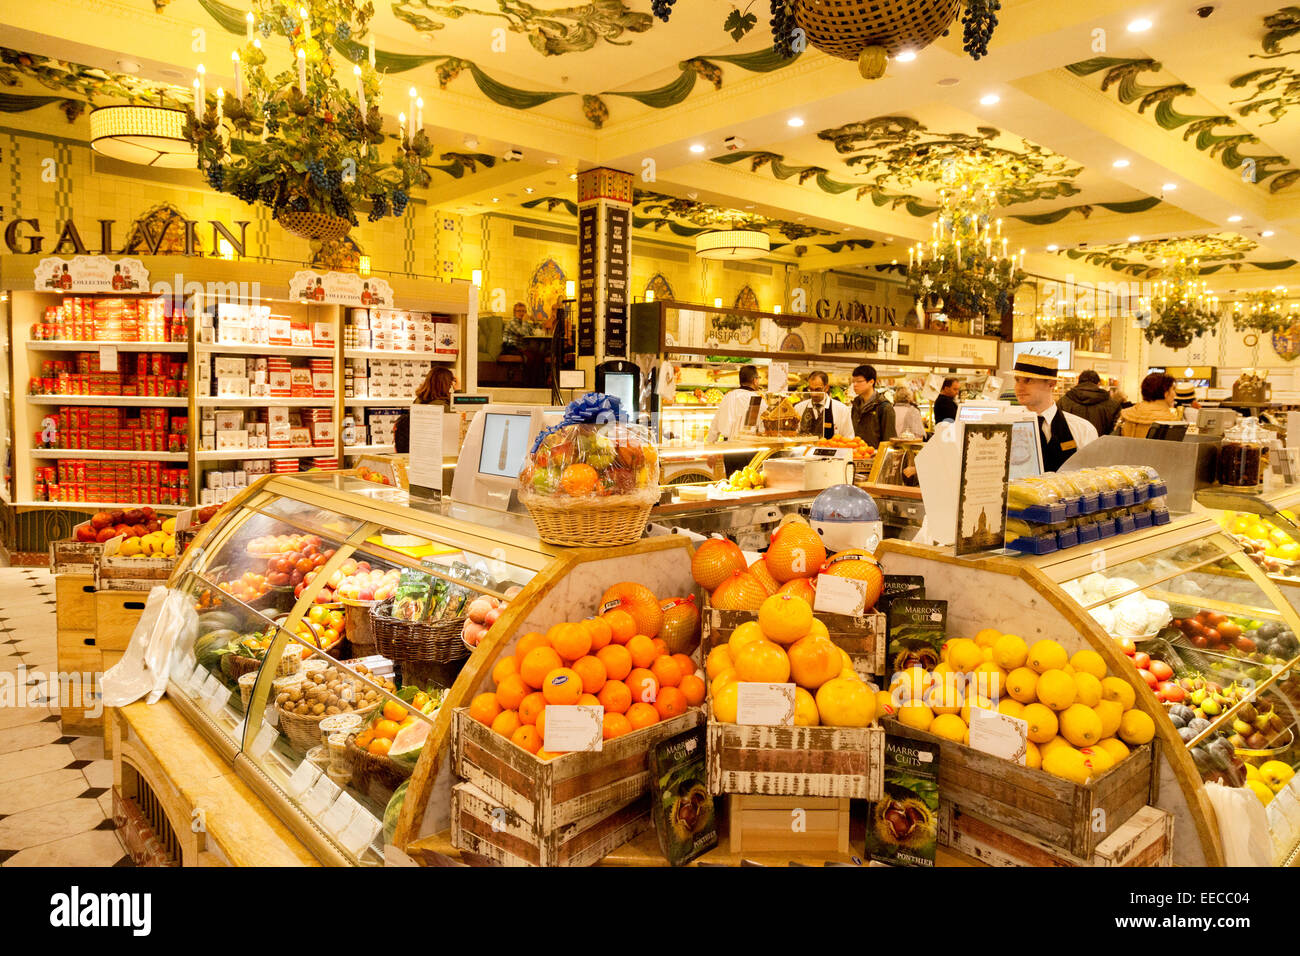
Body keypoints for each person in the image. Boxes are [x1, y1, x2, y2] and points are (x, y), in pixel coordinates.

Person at [1012, 354, 1098, 471]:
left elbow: (1090, 476)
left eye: (1028, 381)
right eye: (1017, 380)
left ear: (1051, 384)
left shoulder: (1082, 429)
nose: (1019, 388)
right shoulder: (1006, 428)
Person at [394, 365, 456, 454]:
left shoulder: (418, 401)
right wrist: (458, 391)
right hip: (436, 453)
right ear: (448, 384)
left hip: (417, 451)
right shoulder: (444, 407)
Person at [1113, 372, 1184, 438]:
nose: (1175, 394)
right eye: (1173, 389)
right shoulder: (1170, 422)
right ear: (1166, 393)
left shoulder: (1127, 414)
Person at [1059, 369, 1122, 437]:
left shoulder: (1063, 402)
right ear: (1098, 384)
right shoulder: (1113, 405)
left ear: (1078, 382)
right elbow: (1115, 431)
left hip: (1071, 445)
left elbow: (1058, 428)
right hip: (1101, 445)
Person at [706, 364, 761, 441]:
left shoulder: (728, 396)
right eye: (758, 378)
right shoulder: (756, 398)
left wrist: (710, 445)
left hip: (728, 445)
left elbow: (715, 424)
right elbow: (761, 426)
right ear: (754, 380)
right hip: (748, 445)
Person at [794, 370, 852, 439]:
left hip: (831, 449)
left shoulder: (841, 410)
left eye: (818, 389)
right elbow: (794, 435)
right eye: (811, 389)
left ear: (826, 388)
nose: (813, 394)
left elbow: (848, 437)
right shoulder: (799, 408)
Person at [850, 364, 896, 447]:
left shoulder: (884, 407)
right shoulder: (856, 404)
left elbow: (889, 438)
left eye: (859, 381)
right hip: (858, 454)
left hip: (875, 455)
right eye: (853, 381)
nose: (855, 385)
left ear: (871, 382)